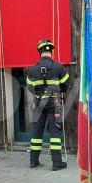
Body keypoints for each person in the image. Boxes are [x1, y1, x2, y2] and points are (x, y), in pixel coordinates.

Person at [25, 39, 70, 170]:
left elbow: (29, 86)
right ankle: (56, 163)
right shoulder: (58, 67)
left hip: (38, 102)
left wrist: (38, 93)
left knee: (36, 133)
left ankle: (34, 162)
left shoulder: (32, 69)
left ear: (40, 52)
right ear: (51, 51)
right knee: (55, 132)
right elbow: (66, 84)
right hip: (54, 103)